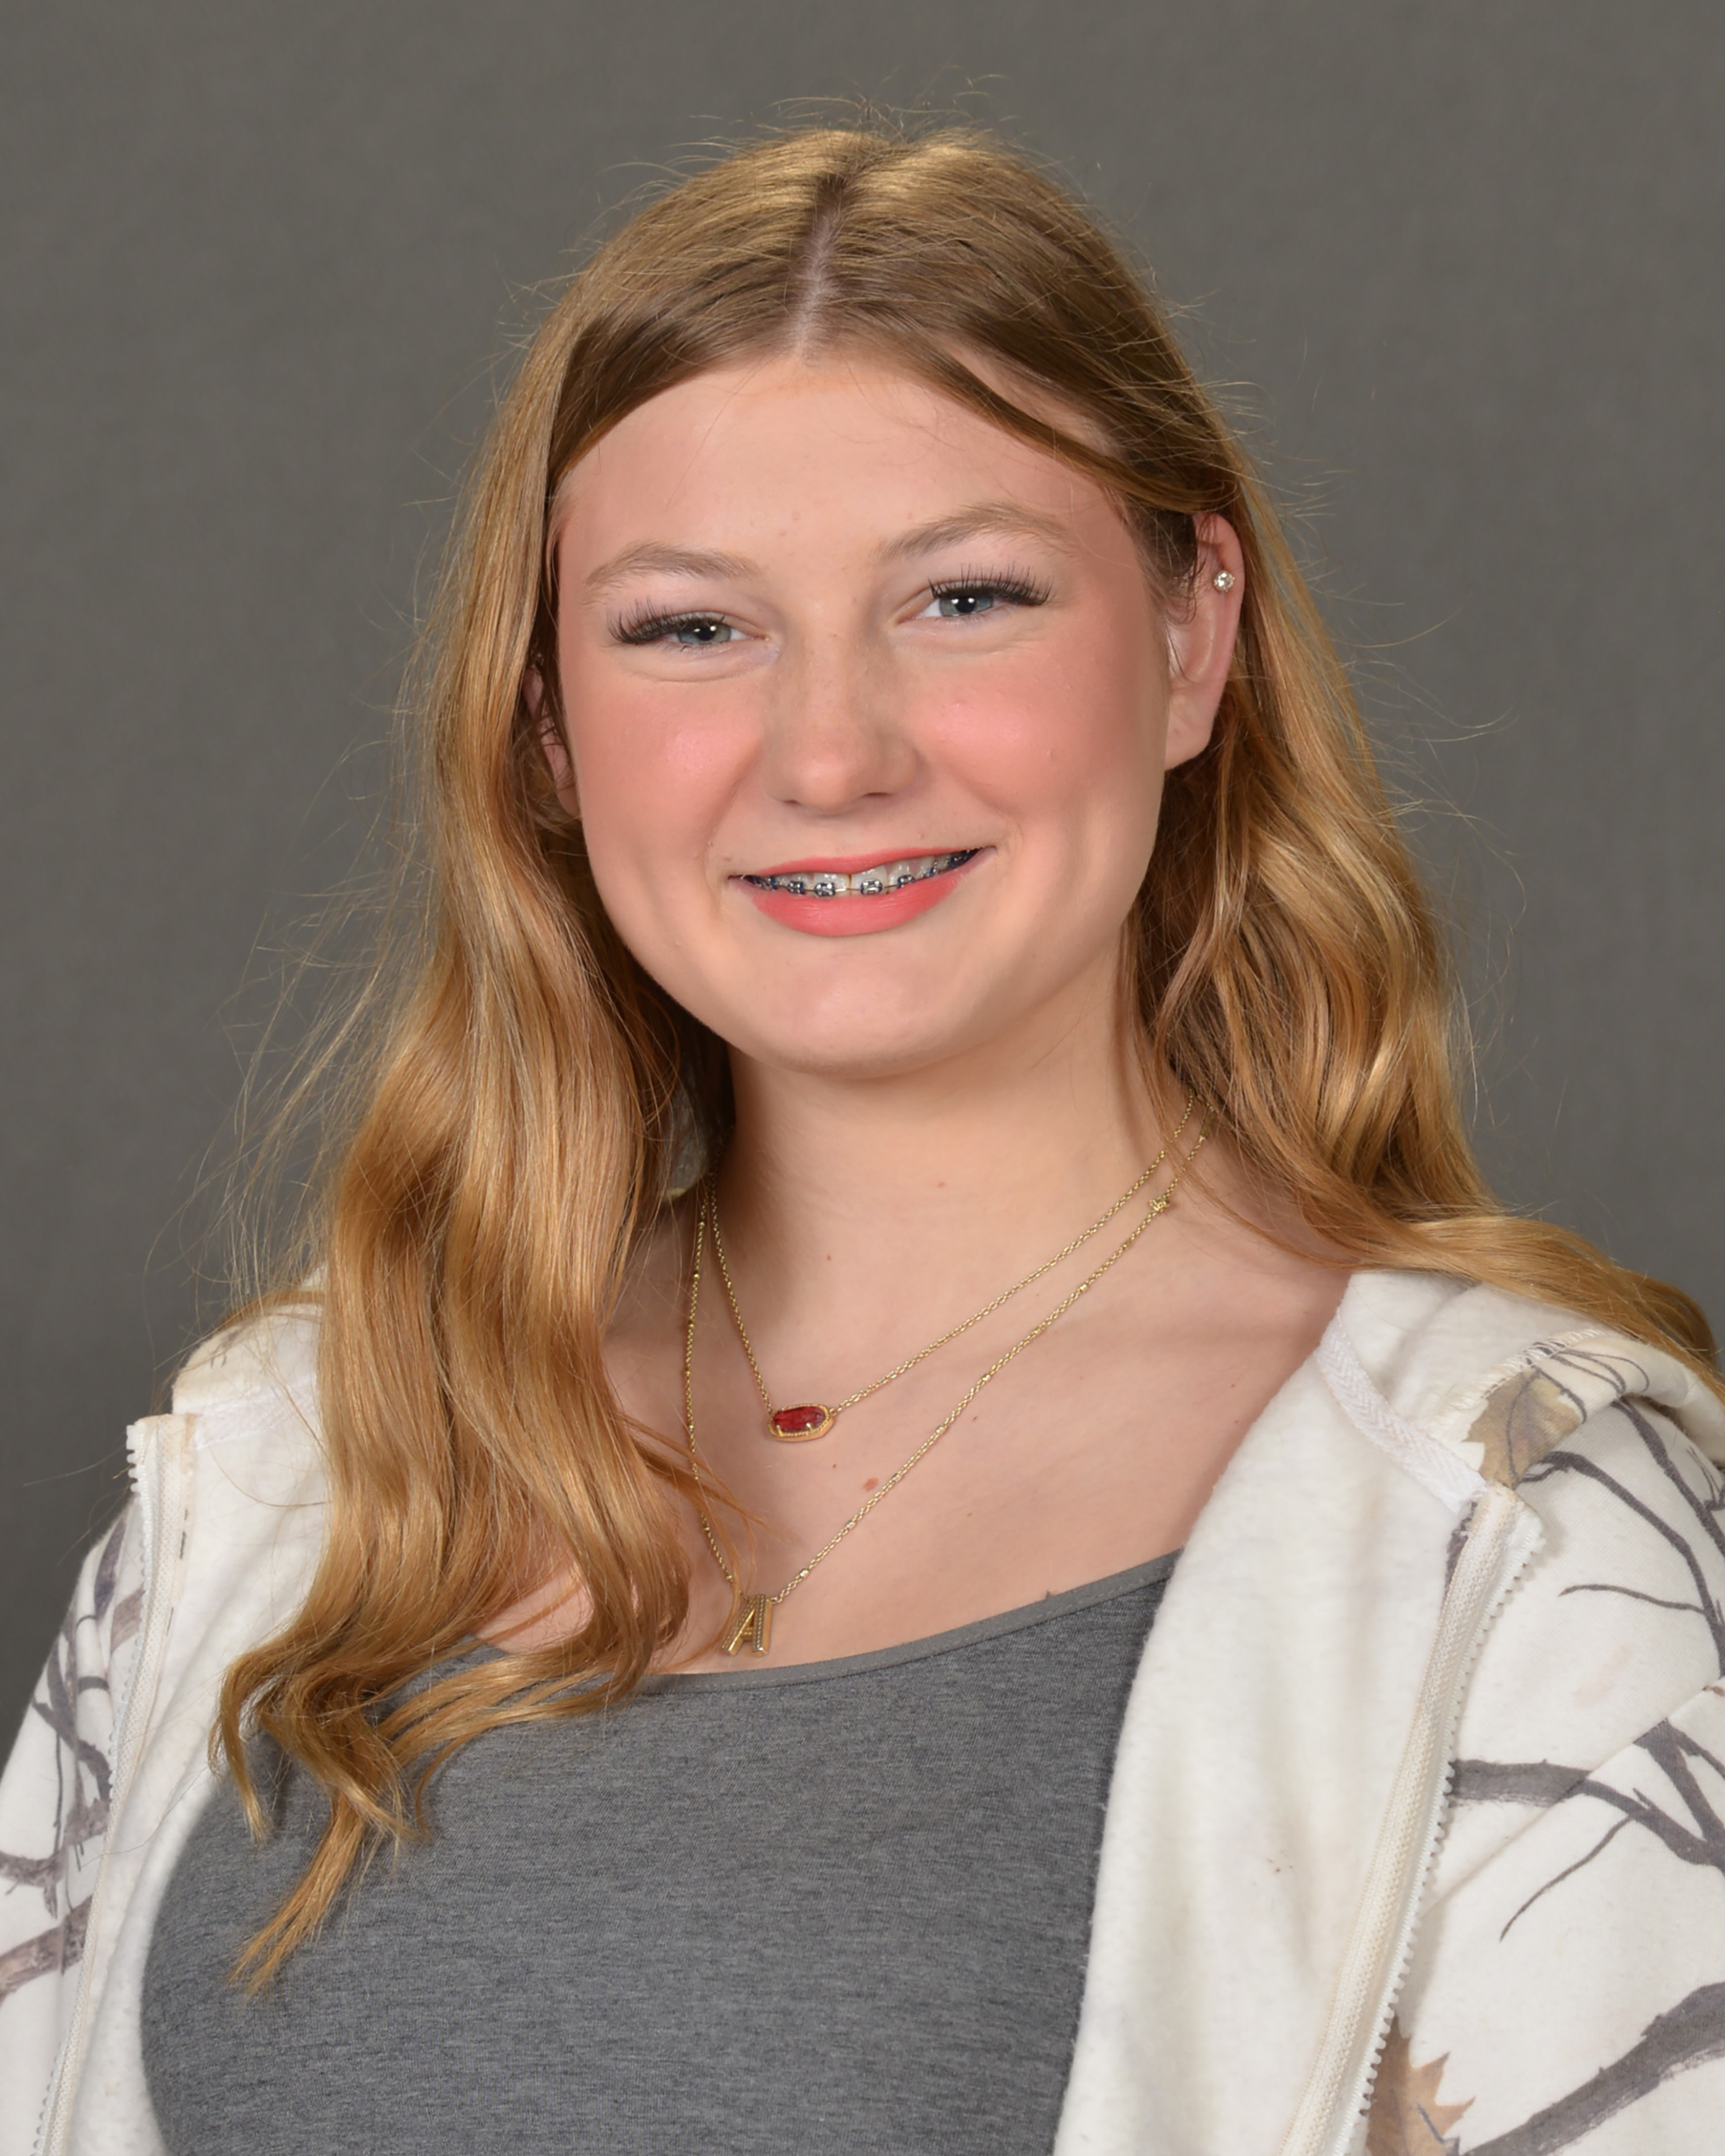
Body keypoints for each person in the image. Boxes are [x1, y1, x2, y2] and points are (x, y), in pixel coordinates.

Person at [3, 121, 1722, 2156]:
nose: (830, 754)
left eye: (965, 597)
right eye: (689, 628)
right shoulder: (276, 1469)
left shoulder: (1517, 1526)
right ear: (545, 723)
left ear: (1195, 638)